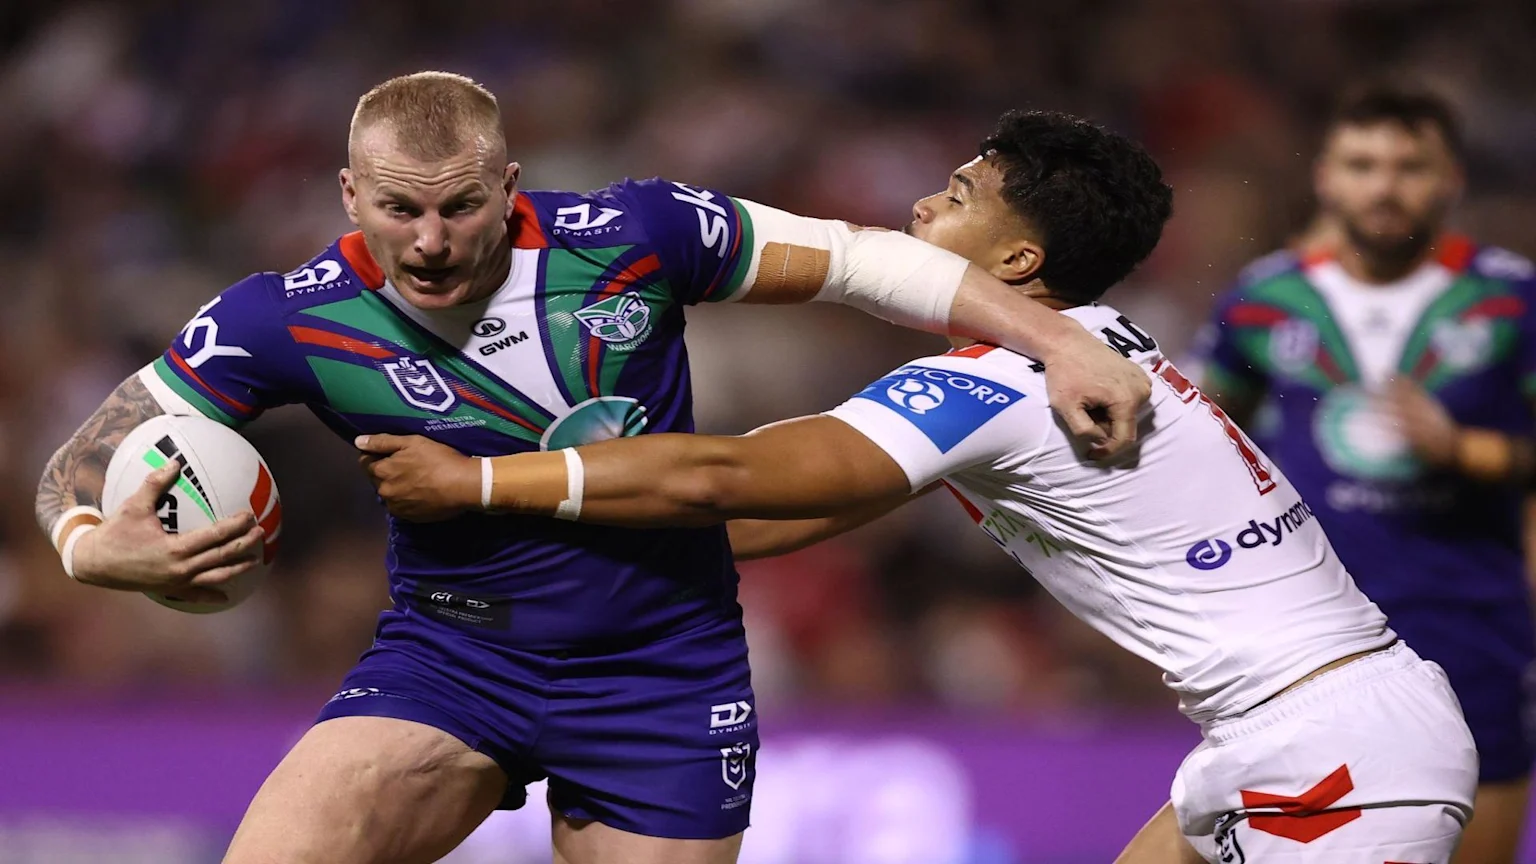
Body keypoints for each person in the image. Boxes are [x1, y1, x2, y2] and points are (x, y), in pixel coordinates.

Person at [32, 73, 1150, 864]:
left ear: (508, 184)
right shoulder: (284, 319)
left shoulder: (636, 235)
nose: (429, 240)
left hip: (663, 671)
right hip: (450, 659)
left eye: (460, 205)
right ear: (348, 195)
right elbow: (82, 461)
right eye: (398, 209)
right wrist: (94, 547)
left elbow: (863, 262)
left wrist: (1058, 339)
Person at [361, 108, 1480, 863]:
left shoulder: (1003, 380)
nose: (919, 213)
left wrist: (484, 483)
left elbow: (729, 474)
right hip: (1286, 730)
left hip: (1336, 743)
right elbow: (762, 517)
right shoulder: (1079, 350)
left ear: (1017, 265)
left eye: (956, 194)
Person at [1190, 83, 1536, 864]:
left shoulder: (1513, 299)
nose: (1384, 185)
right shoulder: (1262, 300)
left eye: (1410, 166)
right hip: (1306, 638)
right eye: (1362, 163)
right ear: (1326, 178)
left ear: (1452, 180)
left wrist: (1466, 452)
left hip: (1470, 621)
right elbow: (1206, 435)